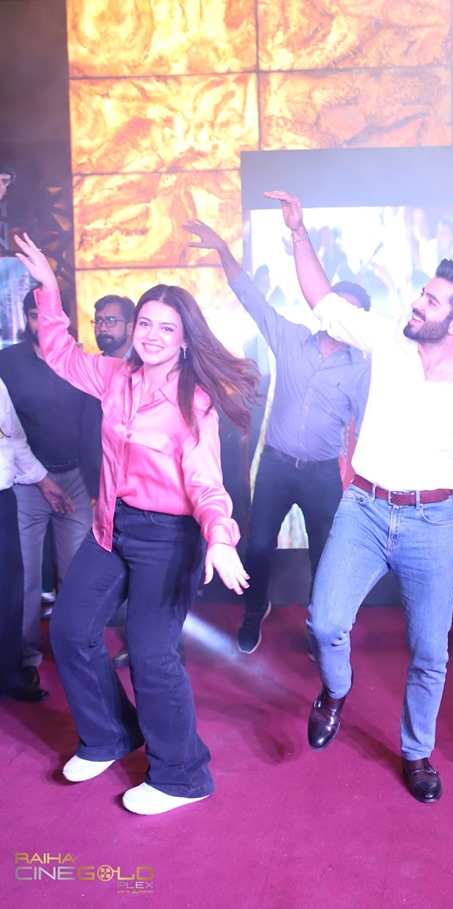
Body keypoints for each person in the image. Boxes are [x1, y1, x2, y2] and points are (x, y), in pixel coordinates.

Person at [265, 189, 453, 804]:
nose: (417, 303)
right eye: (422, 292)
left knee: (430, 654)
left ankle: (417, 752)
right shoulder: (388, 339)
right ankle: (336, 691)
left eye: (431, 301)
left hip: (431, 524)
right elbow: (322, 300)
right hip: (363, 511)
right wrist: (299, 231)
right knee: (325, 623)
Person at [15, 231, 260, 816]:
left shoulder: (193, 400)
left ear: (184, 340)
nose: (151, 335)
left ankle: (183, 775)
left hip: (167, 540)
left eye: (165, 329)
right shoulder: (114, 377)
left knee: (151, 654)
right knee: (70, 630)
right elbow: (60, 353)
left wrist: (220, 538)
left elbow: (206, 482)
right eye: (145, 323)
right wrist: (48, 289)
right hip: (110, 528)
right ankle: (108, 736)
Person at [183, 219, 370, 655]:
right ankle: (255, 610)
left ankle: (320, 624)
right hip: (276, 466)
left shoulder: (362, 370)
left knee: (324, 554)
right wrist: (222, 249)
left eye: (351, 311)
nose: (340, 316)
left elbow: (367, 429)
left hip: (323, 475)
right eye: (335, 306)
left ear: (359, 320)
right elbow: (250, 297)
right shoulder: (290, 338)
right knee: (259, 545)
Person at [0, 287, 99, 694]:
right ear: (26, 319)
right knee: (23, 577)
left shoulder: (79, 361)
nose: (41, 323)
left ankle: (72, 647)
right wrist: (37, 478)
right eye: (33, 315)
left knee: (76, 572)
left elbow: (94, 423)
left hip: (74, 477)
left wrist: (97, 481)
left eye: (48, 314)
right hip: (26, 482)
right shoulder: (7, 362)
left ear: (63, 318)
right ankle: (23, 659)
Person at [0, 377, 72, 702]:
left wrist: (44, 482)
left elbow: (14, 437)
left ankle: (10, 674)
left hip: (2, 495)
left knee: (9, 590)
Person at [92, 294, 135, 358]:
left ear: (130, 327)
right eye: (98, 321)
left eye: (111, 320)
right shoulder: (94, 363)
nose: (102, 328)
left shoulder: (145, 361)